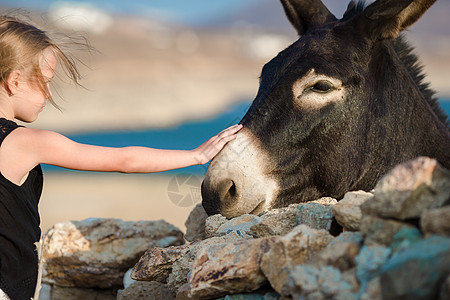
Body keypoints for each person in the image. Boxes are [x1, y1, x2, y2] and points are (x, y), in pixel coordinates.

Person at [0, 15, 242, 300]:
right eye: (47, 82)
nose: (49, 94)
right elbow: (123, 160)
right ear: (15, 81)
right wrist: (196, 155)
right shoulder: (25, 142)